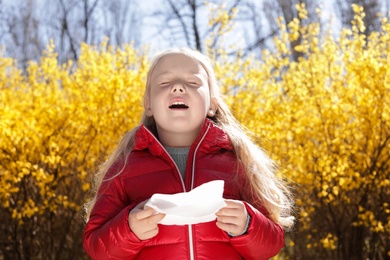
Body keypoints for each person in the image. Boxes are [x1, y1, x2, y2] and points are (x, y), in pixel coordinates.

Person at [83, 48, 294, 260]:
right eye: (164, 83)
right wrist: (129, 230)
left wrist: (248, 224)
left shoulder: (237, 161)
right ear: (148, 105)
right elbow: (96, 246)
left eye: (192, 83)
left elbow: (272, 243)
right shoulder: (125, 167)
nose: (177, 87)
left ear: (212, 104)